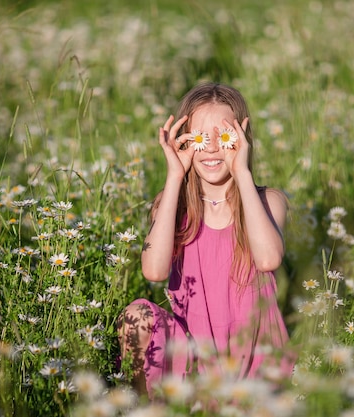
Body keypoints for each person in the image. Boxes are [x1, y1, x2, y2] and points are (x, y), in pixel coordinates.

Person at [118, 82, 294, 397]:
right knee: (137, 317)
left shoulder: (267, 201)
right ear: (184, 143)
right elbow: (154, 270)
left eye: (224, 138)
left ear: (242, 140)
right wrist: (174, 177)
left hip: (254, 363)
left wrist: (241, 172)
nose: (212, 148)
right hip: (192, 360)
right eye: (200, 138)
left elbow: (268, 259)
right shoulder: (173, 204)